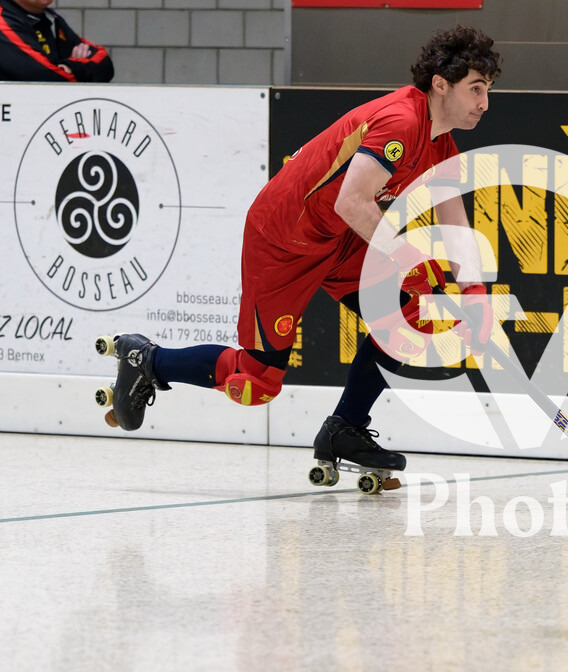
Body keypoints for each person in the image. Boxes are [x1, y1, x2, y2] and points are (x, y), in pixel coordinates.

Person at [101, 25, 500, 480]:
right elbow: (353, 201)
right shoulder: (402, 122)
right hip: (284, 237)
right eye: (476, 89)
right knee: (256, 383)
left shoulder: (440, 142)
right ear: (441, 84)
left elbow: (454, 221)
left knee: (414, 314)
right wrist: (406, 256)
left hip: (340, 238)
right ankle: (147, 361)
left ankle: (345, 428)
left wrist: (473, 290)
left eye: (487, 90)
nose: (484, 103)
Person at [0, 0, 113, 82]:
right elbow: (46, 79)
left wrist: (70, 67)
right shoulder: (2, 21)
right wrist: (76, 67)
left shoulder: (50, 18)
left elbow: (104, 63)